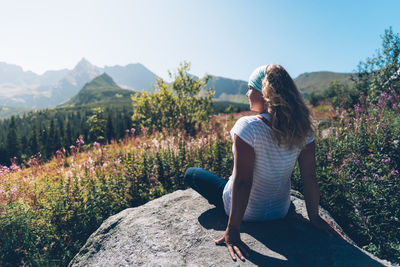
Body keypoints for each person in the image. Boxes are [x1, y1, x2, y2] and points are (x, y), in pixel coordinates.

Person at [184, 64, 339, 262]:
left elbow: (243, 182)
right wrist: (314, 218)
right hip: (280, 211)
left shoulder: (248, 126)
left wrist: (232, 232)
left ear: (263, 92)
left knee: (192, 173)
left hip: (246, 213)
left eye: (250, 88)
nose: (247, 94)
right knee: (234, 176)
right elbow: (309, 177)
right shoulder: (304, 129)